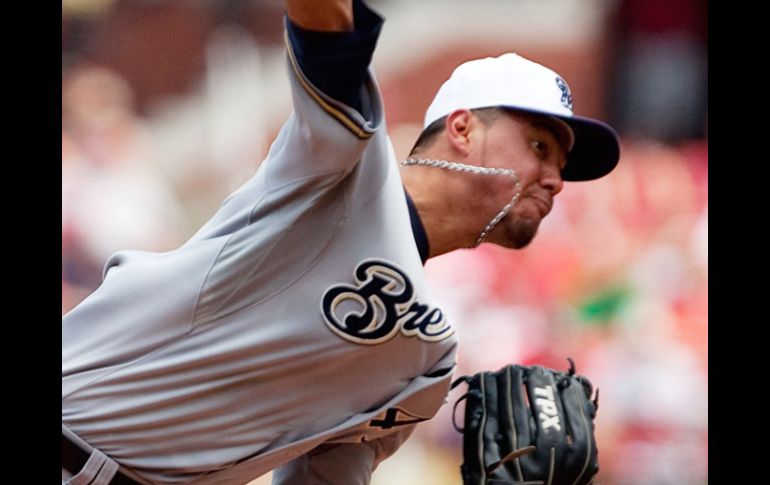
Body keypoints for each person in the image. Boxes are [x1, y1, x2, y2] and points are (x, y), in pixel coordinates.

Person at [62, 1, 620, 484]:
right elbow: (328, 30)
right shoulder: (345, 164)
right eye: (540, 146)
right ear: (464, 128)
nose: (556, 178)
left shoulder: (427, 363)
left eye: (562, 164)